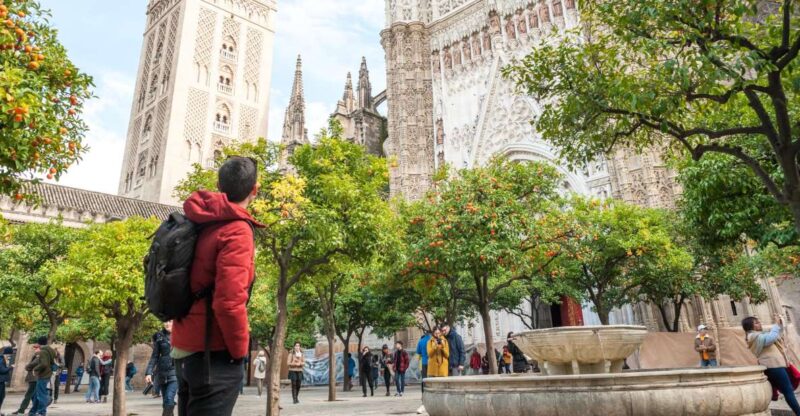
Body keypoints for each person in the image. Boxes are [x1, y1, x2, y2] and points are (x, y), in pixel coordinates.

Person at [172, 156, 263, 416]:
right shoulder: (237, 229)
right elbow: (229, 302)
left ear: (219, 186)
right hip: (213, 354)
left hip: (184, 348)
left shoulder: (200, 221)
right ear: (255, 189)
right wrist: (239, 350)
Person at [743, 315, 800, 415]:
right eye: (756, 323)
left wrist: (780, 324)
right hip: (773, 367)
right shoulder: (752, 336)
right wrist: (776, 325)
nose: (759, 323)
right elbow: (771, 338)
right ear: (750, 326)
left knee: (787, 390)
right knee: (788, 391)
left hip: (777, 365)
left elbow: (776, 335)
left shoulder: (759, 335)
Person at [146, 321, 177, 416]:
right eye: (165, 322)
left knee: (169, 398)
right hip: (162, 373)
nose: (167, 324)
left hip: (175, 372)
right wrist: (148, 372)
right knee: (166, 402)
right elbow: (154, 356)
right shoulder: (159, 336)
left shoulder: (181, 334)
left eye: (170, 321)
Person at [26, 336, 55, 416]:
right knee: (36, 395)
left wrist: (35, 369)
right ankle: (33, 412)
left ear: (39, 343)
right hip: (47, 374)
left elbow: (44, 363)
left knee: (41, 395)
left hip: (43, 375)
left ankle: (42, 412)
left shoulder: (43, 351)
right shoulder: (51, 350)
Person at [13, 347, 39, 415]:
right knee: (33, 395)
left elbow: (31, 365)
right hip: (33, 378)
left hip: (34, 378)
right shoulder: (36, 356)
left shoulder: (39, 357)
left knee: (29, 395)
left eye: (36, 348)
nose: (34, 349)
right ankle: (35, 410)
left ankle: (21, 410)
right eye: (34, 348)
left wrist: (27, 367)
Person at [0, 347, 13, 416]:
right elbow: (2, 370)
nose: (10, 356)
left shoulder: (3, 359)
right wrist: (11, 367)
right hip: (0, 381)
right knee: (1, 396)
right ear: (7, 353)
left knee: (2, 396)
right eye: (10, 355)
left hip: (2, 381)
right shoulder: (1, 359)